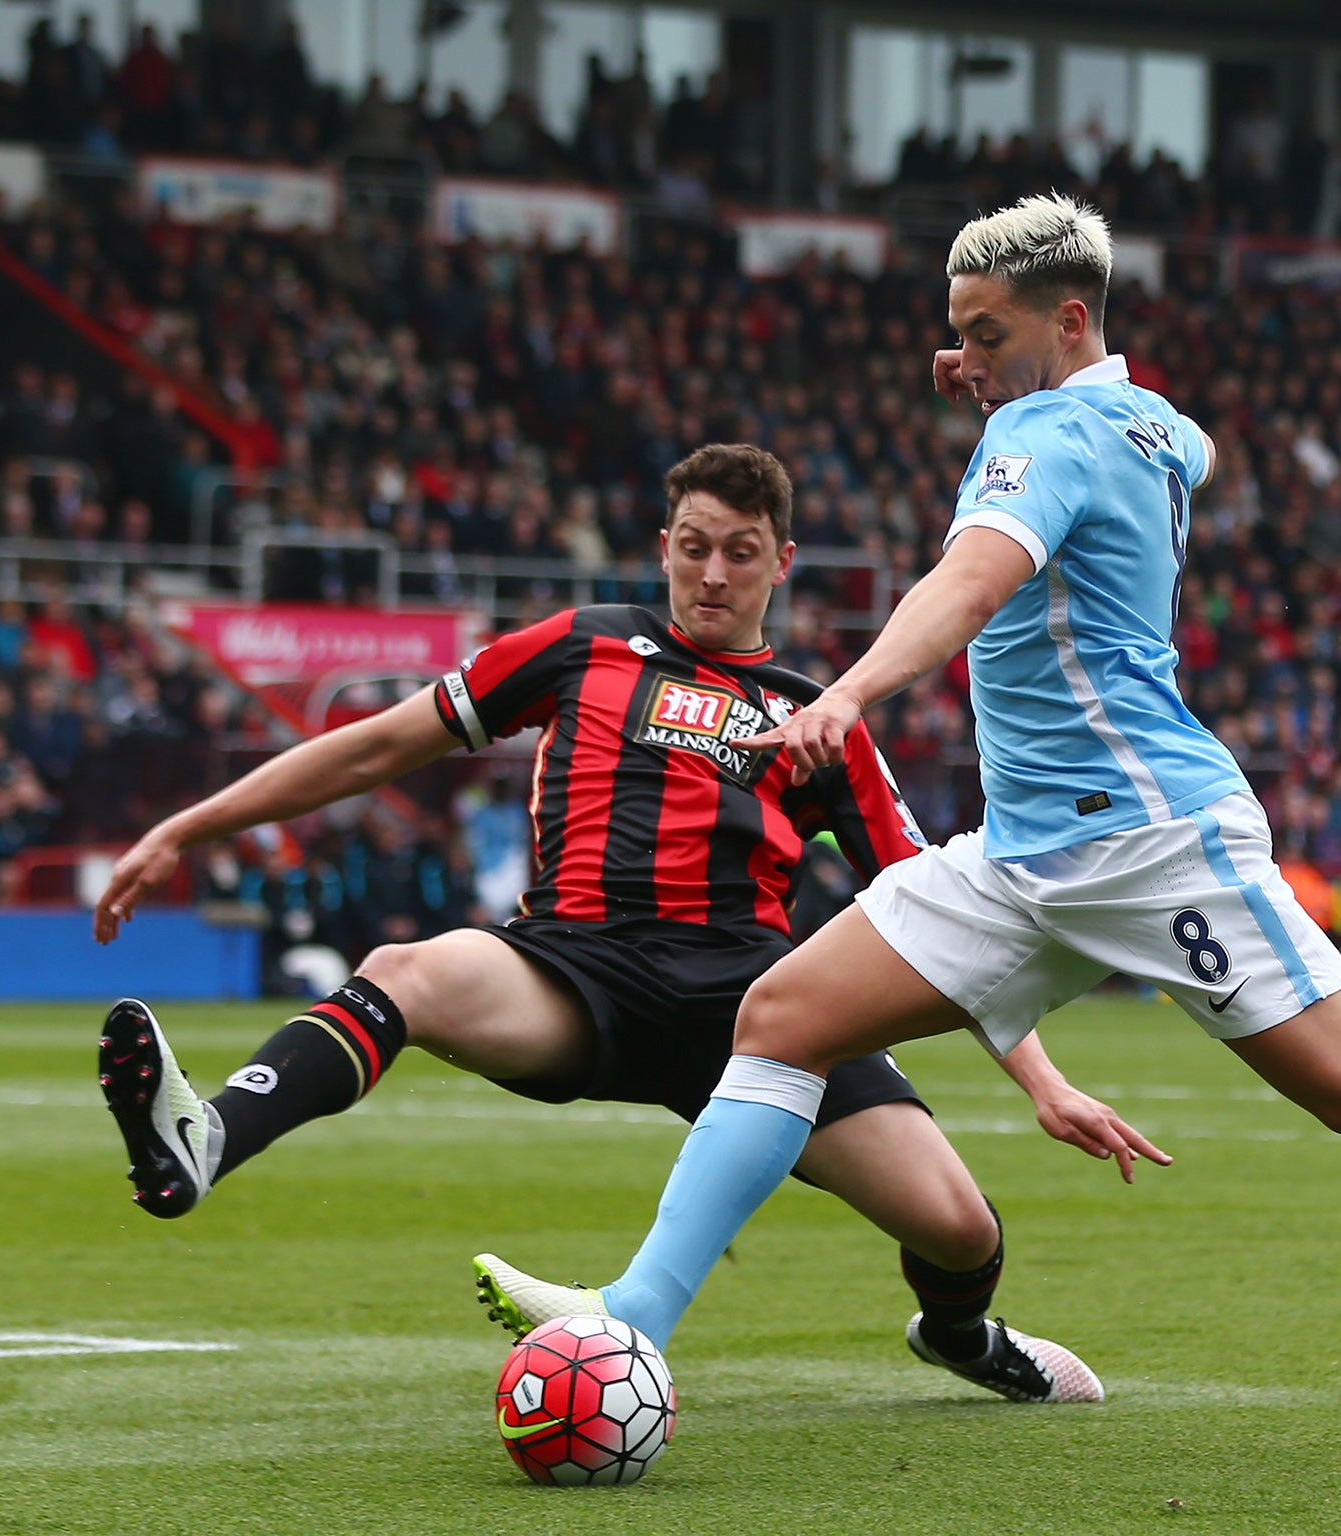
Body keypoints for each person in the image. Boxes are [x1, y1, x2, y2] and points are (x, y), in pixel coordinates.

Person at [476, 195, 1341, 1357]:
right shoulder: (1140, 420)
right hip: (1021, 852)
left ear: (1069, 318)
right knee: (779, 1019)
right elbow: (1184, 443)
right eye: (958, 334)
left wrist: (854, 692)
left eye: (985, 333)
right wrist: (1006, 379)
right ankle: (633, 1323)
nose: (966, 359)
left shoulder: (1041, 437)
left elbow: (968, 581)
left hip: (1151, 841)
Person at [93, 443, 1164, 1403]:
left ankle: (960, 1337)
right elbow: (376, 745)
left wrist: (1046, 1084)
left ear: (780, 562)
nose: (712, 574)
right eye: (694, 547)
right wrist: (190, 827)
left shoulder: (819, 713)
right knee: (406, 972)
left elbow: (944, 924)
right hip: (569, 969)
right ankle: (212, 1134)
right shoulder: (580, 645)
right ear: (663, 546)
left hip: (759, 1015)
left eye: (740, 553)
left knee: (961, 1227)